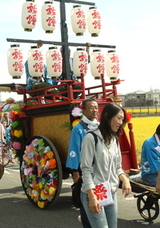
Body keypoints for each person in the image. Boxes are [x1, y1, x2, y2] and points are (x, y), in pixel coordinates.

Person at [80, 102, 131, 228]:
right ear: (107, 116)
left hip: (109, 192)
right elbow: (86, 170)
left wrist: (125, 180)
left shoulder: (114, 140)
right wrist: (91, 197)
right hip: (93, 191)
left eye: (122, 120)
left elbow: (118, 167)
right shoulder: (91, 138)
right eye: (119, 118)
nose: (120, 123)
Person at [67, 97, 99, 228]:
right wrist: (75, 172)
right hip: (85, 169)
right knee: (86, 198)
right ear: (84, 110)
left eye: (96, 107)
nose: (94, 110)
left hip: (98, 169)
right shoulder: (78, 129)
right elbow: (74, 149)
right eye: (91, 108)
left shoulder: (100, 126)